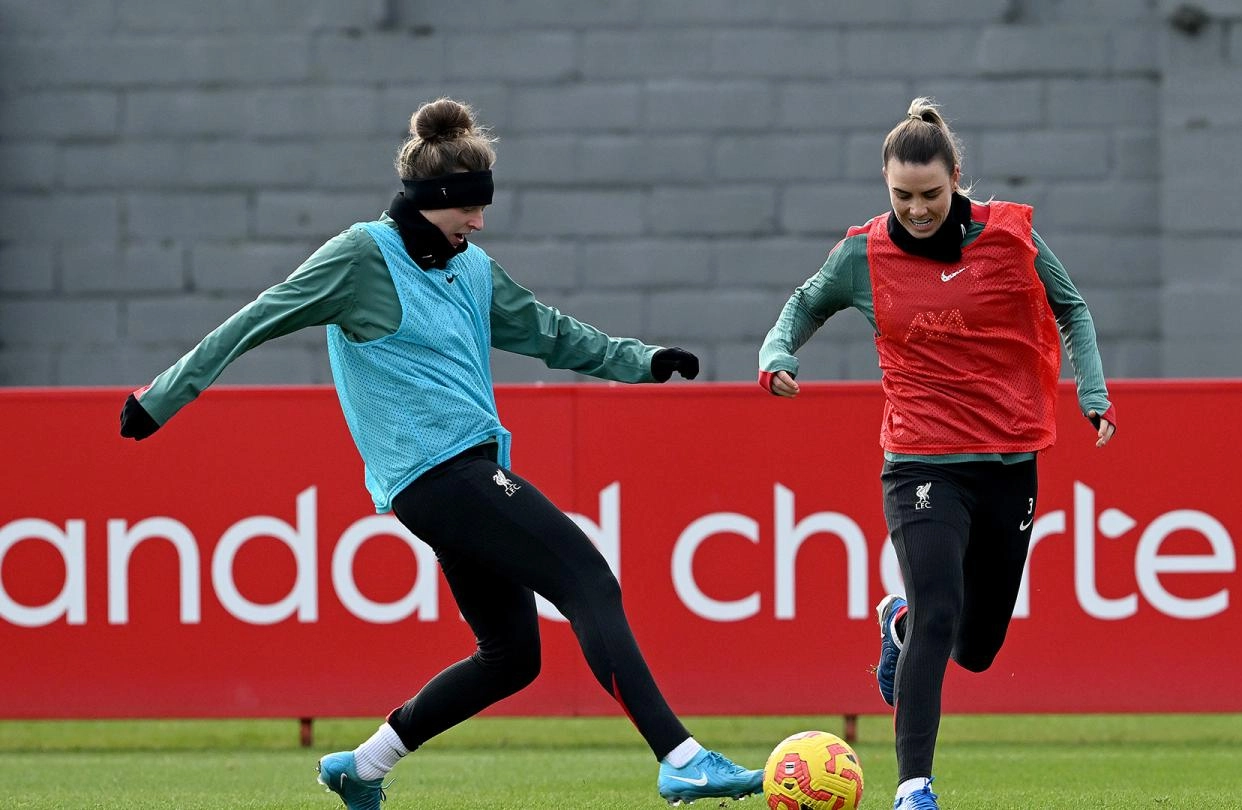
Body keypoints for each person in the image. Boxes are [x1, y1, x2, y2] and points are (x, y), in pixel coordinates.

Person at [119, 97, 763, 809]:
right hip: (440, 477)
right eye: (469, 208)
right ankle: (681, 757)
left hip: (465, 478)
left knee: (512, 658)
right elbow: (259, 317)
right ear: (433, 201)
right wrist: (163, 397)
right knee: (587, 577)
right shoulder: (361, 256)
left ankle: (363, 767)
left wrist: (642, 361)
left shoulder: (472, 267)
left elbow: (549, 332)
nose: (481, 222)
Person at [757, 97, 1116, 810]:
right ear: (885, 186)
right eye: (901, 196)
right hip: (921, 460)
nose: (916, 210)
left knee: (977, 649)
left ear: (956, 178)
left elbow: (1070, 307)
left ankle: (898, 622)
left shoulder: (1011, 238)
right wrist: (776, 349)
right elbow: (804, 302)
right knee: (941, 609)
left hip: (1010, 460)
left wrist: (1093, 391)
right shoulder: (864, 251)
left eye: (930, 195)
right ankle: (914, 787)